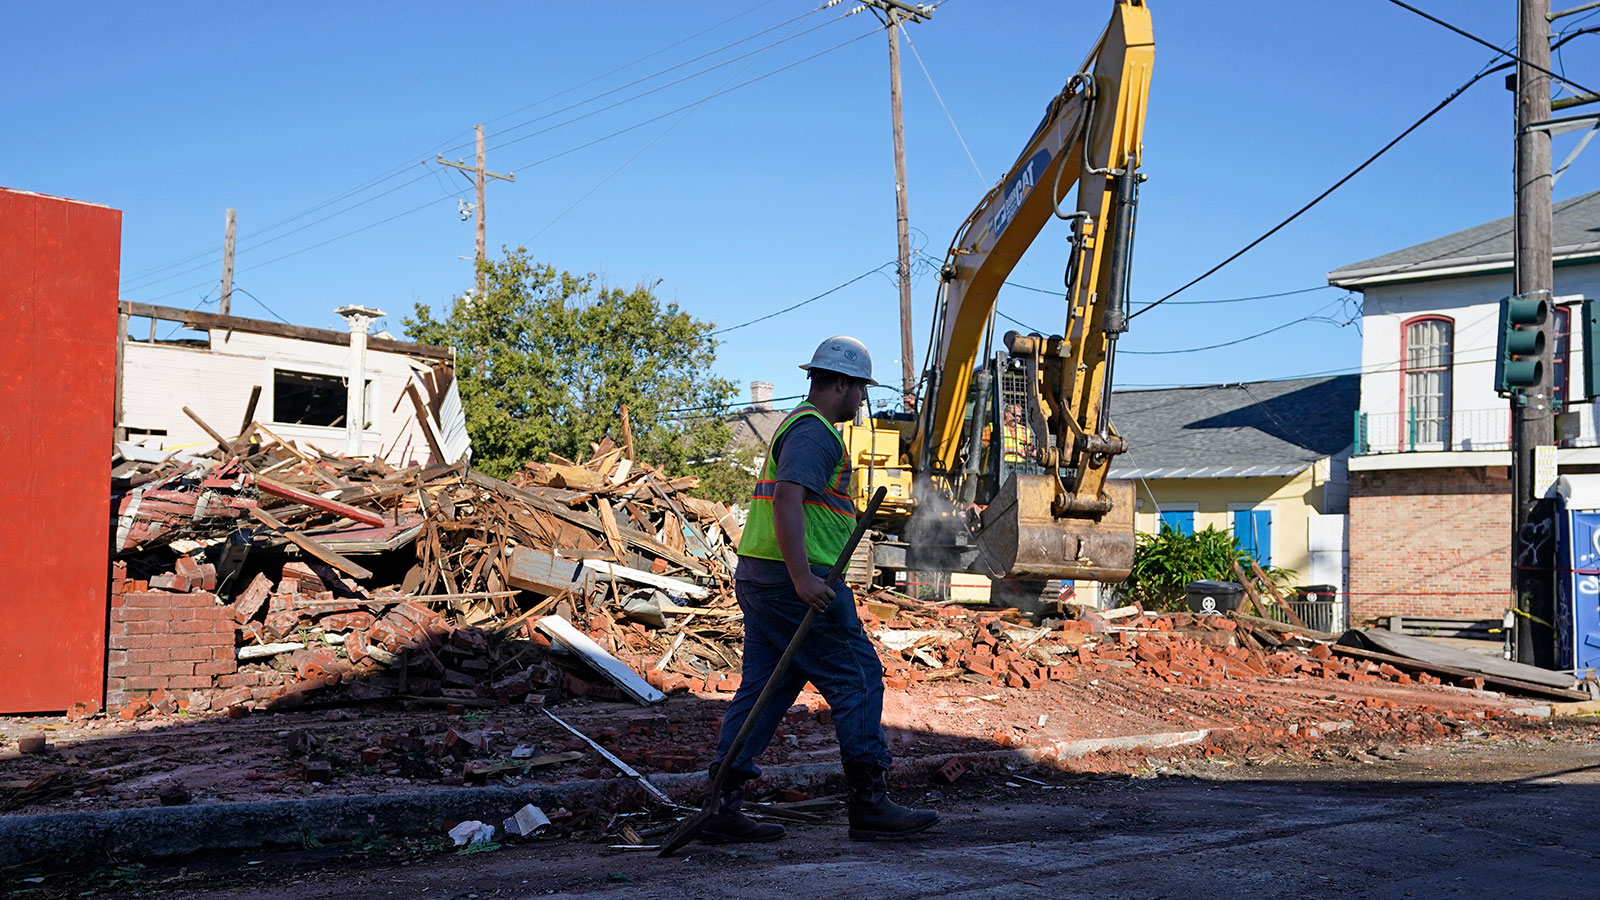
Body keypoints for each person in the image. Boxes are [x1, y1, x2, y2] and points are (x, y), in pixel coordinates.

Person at [700, 335, 939, 844]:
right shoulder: (816, 434)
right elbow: (788, 500)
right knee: (858, 679)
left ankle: (722, 803)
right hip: (799, 583)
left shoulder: (798, 427)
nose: (861, 400)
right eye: (859, 390)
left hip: (763, 576)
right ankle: (870, 804)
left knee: (767, 689)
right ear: (839, 383)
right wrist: (804, 577)